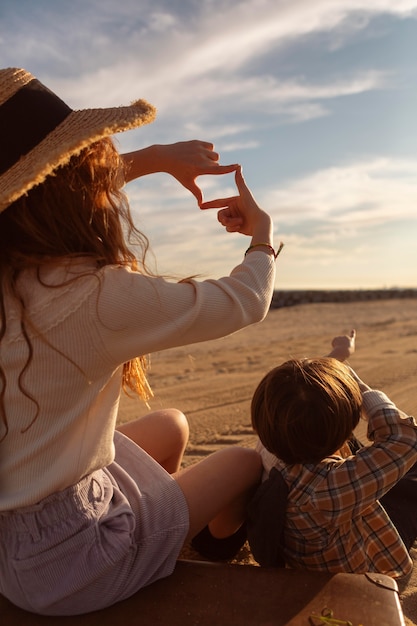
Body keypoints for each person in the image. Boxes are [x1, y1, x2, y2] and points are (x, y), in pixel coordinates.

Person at [0, 67, 281, 615]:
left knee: (172, 424)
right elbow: (245, 301)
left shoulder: (15, 274)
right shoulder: (90, 294)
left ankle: (162, 535)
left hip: (14, 534)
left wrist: (153, 158)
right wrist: (263, 239)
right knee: (246, 464)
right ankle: (181, 564)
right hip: (71, 562)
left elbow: (46, 195)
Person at [248, 330, 417, 578]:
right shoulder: (327, 487)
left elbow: (301, 394)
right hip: (358, 566)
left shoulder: (272, 441)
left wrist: (338, 358)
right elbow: (406, 439)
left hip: (319, 535)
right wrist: (361, 389)